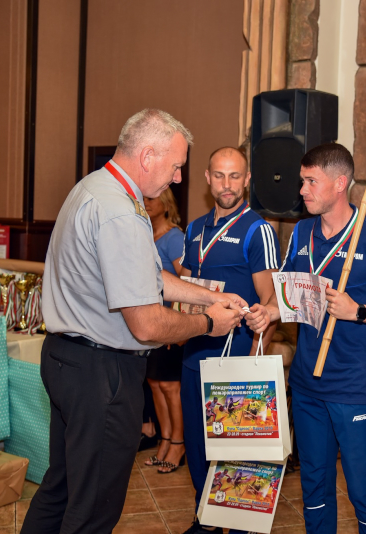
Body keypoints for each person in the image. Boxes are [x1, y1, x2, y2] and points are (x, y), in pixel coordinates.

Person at [22, 109, 247, 534]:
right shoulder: (121, 212)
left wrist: (208, 296)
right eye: (176, 166)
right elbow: (147, 325)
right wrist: (208, 324)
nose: (178, 178)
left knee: (61, 489)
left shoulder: (93, 188)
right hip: (100, 373)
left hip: (66, 358)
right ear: (147, 156)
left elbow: (148, 275)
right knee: (93, 510)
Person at [251, 143, 366, 534]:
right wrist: (267, 312)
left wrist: (358, 311)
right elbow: (289, 297)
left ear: (340, 184)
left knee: (363, 490)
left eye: (311, 181)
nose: (301, 190)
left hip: (353, 389)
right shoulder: (302, 232)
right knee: (314, 487)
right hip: (307, 386)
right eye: (302, 181)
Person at [177, 147, 279, 534]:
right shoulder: (194, 229)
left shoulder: (257, 230)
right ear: (207, 179)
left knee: (236, 452)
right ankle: (205, 518)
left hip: (235, 359)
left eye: (235, 176)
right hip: (194, 354)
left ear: (247, 179)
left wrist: (254, 359)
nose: (227, 184)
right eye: (219, 175)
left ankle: (238, 525)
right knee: (197, 446)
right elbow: (186, 287)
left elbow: (269, 302)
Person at [142, 187, 187, 473]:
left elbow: (187, 281)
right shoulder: (144, 235)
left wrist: (179, 326)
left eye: (151, 198)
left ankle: (179, 444)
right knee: (155, 384)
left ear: (166, 204)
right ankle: (165, 440)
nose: (146, 203)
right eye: (143, 199)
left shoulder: (174, 237)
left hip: (170, 322)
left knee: (171, 386)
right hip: (150, 321)